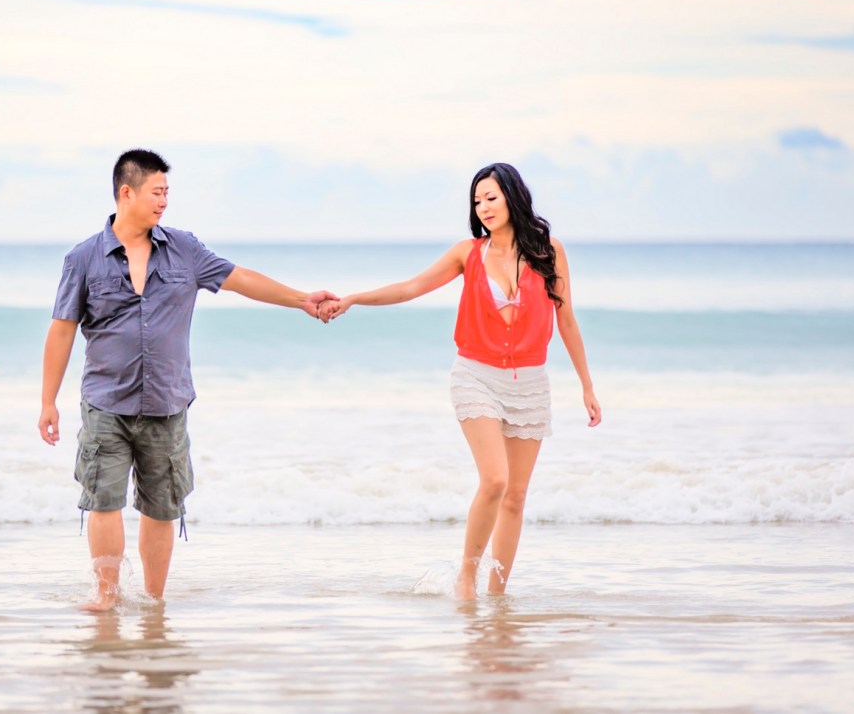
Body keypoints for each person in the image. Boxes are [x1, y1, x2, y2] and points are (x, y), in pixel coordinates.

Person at [38, 149, 337, 610]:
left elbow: (241, 279)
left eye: (167, 193)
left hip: (166, 401)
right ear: (126, 192)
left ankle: (154, 600)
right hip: (105, 401)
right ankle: (106, 597)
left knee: (162, 507)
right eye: (156, 192)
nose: (164, 202)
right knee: (102, 500)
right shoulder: (83, 259)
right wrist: (48, 402)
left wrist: (301, 299)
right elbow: (61, 329)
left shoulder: (184, 249)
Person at [318, 162, 600, 600]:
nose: (483, 207)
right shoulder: (468, 253)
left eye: (491, 197)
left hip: (530, 382)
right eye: (476, 201)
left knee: (517, 495)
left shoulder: (549, 250)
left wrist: (586, 384)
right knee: (495, 481)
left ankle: (497, 592)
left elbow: (566, 318)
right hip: (476, 376)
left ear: (513, 196)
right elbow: (412, 287)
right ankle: (466, 577)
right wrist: (355, 298)